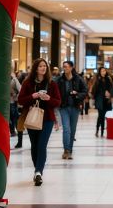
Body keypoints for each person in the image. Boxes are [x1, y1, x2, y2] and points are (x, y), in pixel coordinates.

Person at [17, 58, 61, 186]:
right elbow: (21, 100)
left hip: (47, 119)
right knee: (35, 146)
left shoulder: (52, 84)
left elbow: (58, 101)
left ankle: (38, 172)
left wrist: (48, 98)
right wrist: (33, 96)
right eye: (41, 66)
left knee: (42, 145)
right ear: (36, 68)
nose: (43, 68)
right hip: (32, 118)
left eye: (45, 66)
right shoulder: (28, 83)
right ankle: (38, 169)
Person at [56, 60, 87, 160]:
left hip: (75, 107)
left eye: (66, 66)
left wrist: (77, 94)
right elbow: (55, 92)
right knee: (66, 129)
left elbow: (85, 91)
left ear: (71, 67)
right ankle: (66, 150)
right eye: (63, 66)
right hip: (64, 107)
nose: (64, 68)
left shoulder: (78, 79)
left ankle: (70, 150)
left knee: (72, 130)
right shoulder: (60, 80)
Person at [92, 67, 113, 137]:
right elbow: (95, 90)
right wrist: (103, 93)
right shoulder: (97, 80)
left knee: (104, 115)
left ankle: (102, 132)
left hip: (107, 100)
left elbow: (112, 88)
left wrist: (110, 95)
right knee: (100, 116)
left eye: (104, 71)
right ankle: (98, 130)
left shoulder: (108, 79)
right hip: (100, 100)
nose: (103, 72)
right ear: (100, 72)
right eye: (102, 71)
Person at [9, 72, 22, 148]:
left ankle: (19, 141)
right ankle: (12, 132)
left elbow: (20, 89)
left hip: (13, 103)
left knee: (16, 122)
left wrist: (15, 96)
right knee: (10, 121)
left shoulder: (14, 79)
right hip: (6, 104)